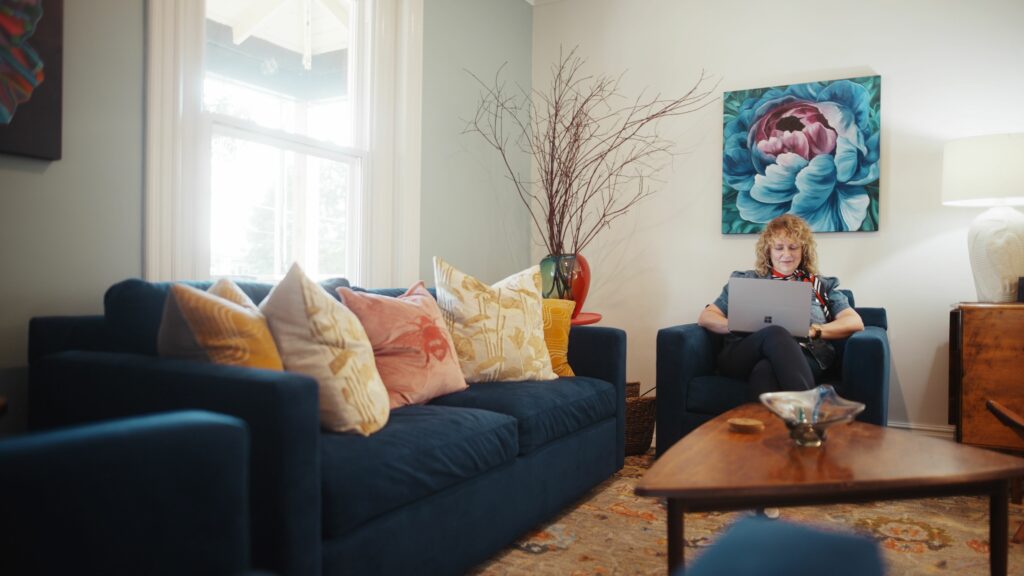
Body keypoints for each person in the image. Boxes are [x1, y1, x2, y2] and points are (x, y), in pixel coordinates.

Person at [698, 214, 864, 399]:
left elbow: (854, 322)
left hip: (804, 355)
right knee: (775, 332)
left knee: (765, 370)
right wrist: (739, 324)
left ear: (803, 251)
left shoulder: (820, 285)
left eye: (793, 247)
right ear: (768, 250)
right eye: (779, 248)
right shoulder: (745, 280)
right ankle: (809, 411)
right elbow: (706, 317)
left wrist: (812, 331)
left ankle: (769, 427)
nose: (786, 254)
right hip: (743, 354)